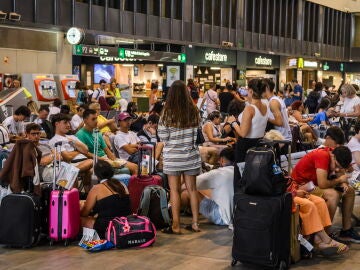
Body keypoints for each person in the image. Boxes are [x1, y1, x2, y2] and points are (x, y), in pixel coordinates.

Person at [158, 80, 202, 234]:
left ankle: (176, 226)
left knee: (174, 190)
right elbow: (198, 131)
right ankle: (195, 223)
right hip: (191, 155)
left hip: (173, 157)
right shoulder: (194, 110)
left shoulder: (167, 112)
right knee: (192, 189)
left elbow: (163, 136)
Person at [291, 146, 360, 243]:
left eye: (339, 167)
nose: (336, 170)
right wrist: (340, 180)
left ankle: (346, 231)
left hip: (313, 185)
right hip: (301, 187)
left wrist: (343, 183)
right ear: (333, 156)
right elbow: (322, 184)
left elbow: (340, 173)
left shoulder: (334, 154)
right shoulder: (322, 156)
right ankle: (325, 236)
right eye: (336, 165)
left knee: (350, 191)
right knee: (333, 195)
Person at [183, 148, 234, 226]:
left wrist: (174, 191)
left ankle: (170, 211)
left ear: (222, 160)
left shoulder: (218, 173)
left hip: (222, 217)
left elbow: (190, 184)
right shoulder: (241, 171)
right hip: (237, 217)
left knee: (187, 192)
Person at [76, 109, 137, 175]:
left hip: (105, 159)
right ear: (85, 121)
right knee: (130, 169)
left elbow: (106, 150)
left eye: (96, 118)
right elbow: (86, 154)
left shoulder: (97, 132)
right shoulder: (80, 134)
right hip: (96, 161)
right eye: (93, 119)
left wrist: (115, 160)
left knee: (135, 167)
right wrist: (103, 159)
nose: (96, 121)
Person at [80, 160, 130, 238]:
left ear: (96, 175)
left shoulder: (96, 188)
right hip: (125, 224)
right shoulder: (122, 185)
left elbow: (85, 213)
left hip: (108, 226)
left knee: (80, 219)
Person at [49, 113, 93, 192]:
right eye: (65, 122)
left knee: (89, 169)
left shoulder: (72, 137)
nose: (69, 125)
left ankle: (86, 195)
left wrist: (73, 142)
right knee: (90, 163)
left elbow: (86, 150)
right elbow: (67, 157)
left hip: (80, 163)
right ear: (56, 124)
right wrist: (77, 151)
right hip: (71, 163)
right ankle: (78, 194)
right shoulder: (55, 140)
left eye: (69, 122)